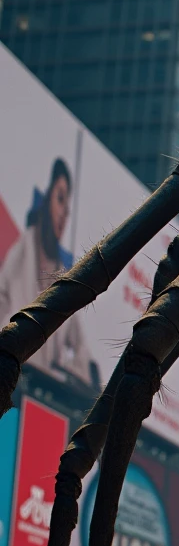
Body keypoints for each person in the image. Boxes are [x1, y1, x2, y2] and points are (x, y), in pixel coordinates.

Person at [0, 158, 95, 385]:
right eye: (60, 199)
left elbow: (82, 351)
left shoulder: (64, 280)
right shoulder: (22, 252)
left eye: (67, 208)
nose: (63, 214)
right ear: (48, 198)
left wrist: (64, 373)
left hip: (39, 391)